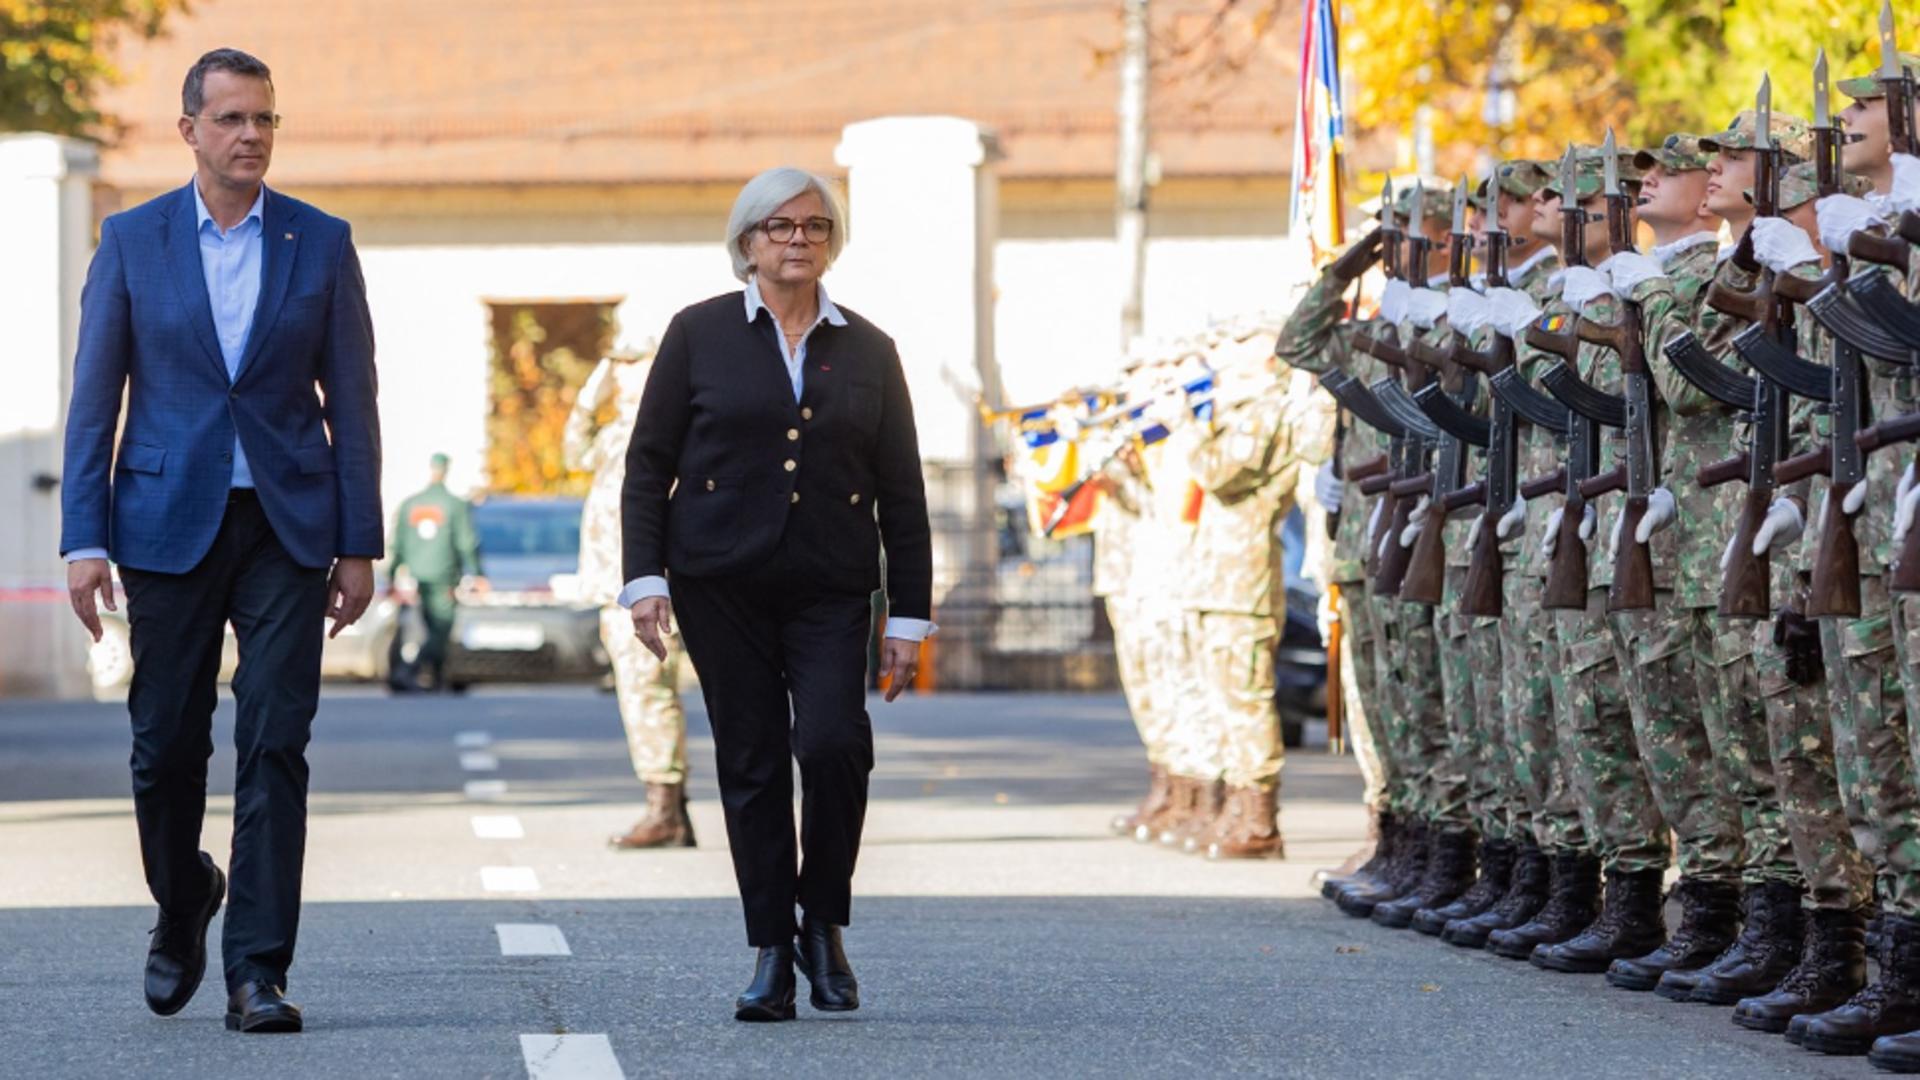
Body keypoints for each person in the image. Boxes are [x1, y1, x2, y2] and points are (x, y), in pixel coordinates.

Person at [60, 47, 380, 1034]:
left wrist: (359, 541)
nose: (251, 136)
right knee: (164, 745)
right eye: (233, 118)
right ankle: (183, 893)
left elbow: (354, 401)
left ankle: (257, 972)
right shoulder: (133, 240)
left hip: (289, 525)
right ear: (190, 129)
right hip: (163, 524)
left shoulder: (320, 242)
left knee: (275, 740)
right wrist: (83, 538)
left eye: (264, 119)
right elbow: (95, 398)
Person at [618, 166, 934, 1022]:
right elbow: (648, 465)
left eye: (815, 226)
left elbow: (903, 493)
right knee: (752, 762)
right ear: (747, 242)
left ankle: (822, 922)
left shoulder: (870, 349)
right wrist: (644, 578)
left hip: (831, 584)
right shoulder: (699, 333)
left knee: (833, 745)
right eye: (780, 226)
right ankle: (770, 950)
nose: (799, 239)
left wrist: (908, 617)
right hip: (720, 582)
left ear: (832, 242)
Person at [564, 342, 695, 849]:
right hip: (615, 586)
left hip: (644, 587)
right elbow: (573, 453)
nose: (619, 376)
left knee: (648, 695)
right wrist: (589, 397)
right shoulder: (618, 430)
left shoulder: (666, 426)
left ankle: (665, 812)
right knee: (643, 695)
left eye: (630, 366)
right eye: (616, 367)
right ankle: (673, 807)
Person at [385, 452, 482, 691]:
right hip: (442, 576)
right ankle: (409, 669)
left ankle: (437, 677)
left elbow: (397, 544)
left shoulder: (411, 504)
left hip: (417, 576)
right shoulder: (454, 505)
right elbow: (466, 542)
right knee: (441, 627)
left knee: (429, 626)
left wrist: (391, 575)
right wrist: (478, 572)